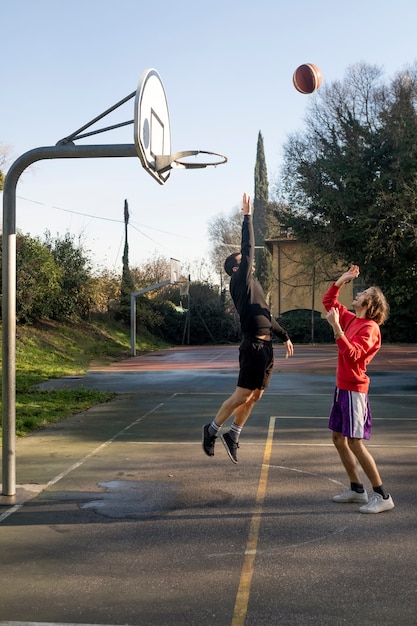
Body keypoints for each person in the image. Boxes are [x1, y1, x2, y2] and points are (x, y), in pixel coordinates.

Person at [202, 193, 294, 463]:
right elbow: (249, 246)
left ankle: (233, 434)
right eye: (245, 259)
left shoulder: (254, 287)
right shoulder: (239, 280)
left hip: (266, 346)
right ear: (236, 267)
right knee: (242, 394)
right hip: (252, 345)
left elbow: (265, 315)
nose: (249, 260)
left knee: (256, 395)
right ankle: (212, 429)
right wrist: (247, 216)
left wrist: (284, 335)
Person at [323, 264, 394, 514]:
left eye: (363, 292)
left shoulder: (370, 329)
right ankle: (356, 489)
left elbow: (353, 356)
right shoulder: (352, 319)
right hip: (342, 387)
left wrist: (336, 328)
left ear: (370, 304)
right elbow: (328, 300)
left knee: (354, 442)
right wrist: (342, 279)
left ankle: (383, 495)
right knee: (337, 439)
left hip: (355, 391)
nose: (358, 292)